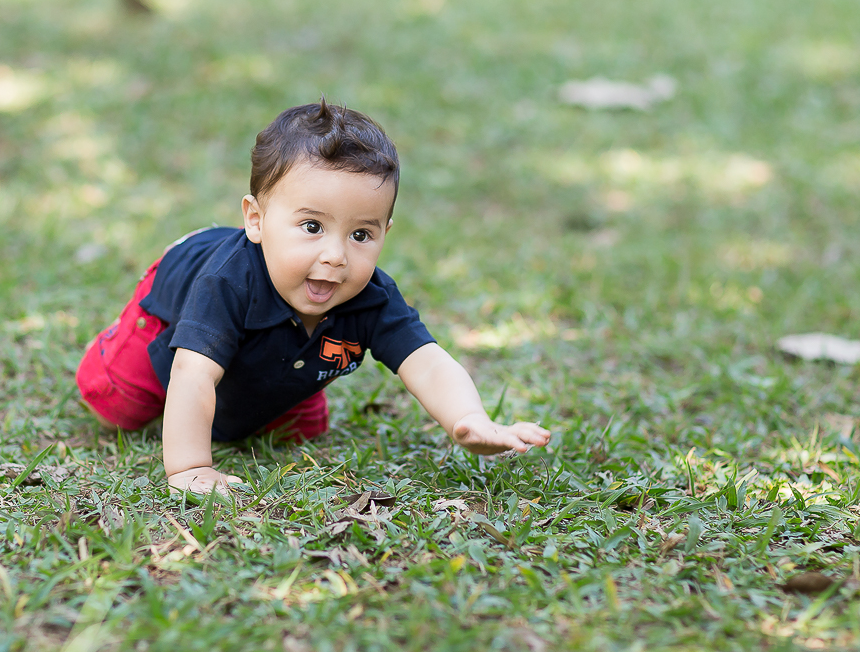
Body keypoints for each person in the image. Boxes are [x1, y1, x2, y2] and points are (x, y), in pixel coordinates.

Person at [77, 100, 551, 493]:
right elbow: (192, 371)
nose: (336, 256)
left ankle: (263, 380)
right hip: (173, 296)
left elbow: (426, 361)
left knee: (288, 431)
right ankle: (117, 360)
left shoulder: (371, 296)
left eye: (361, 235)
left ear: (386, 231)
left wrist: (469, 417)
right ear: (257, 220)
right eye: (311, 227)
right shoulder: (226, 280)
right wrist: (190, 469)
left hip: (287, 350)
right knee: (120, 403)